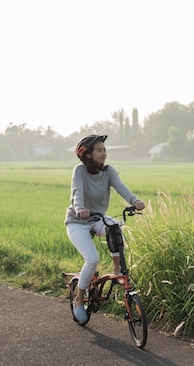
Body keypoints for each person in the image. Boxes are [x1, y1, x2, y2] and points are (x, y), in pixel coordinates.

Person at [64, 134, 145, 323]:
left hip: (98, 218)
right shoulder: (80, 171)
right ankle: (79, 298)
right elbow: (77, 193)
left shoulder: (109, 171)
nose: (103, 153)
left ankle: (117, 269)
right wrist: (80, 209)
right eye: (99, 150)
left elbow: (121, 187)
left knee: (117, 228)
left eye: (104, 150)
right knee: (92, 260)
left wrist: (135, 201)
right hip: (77, 221)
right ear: (88, 154)